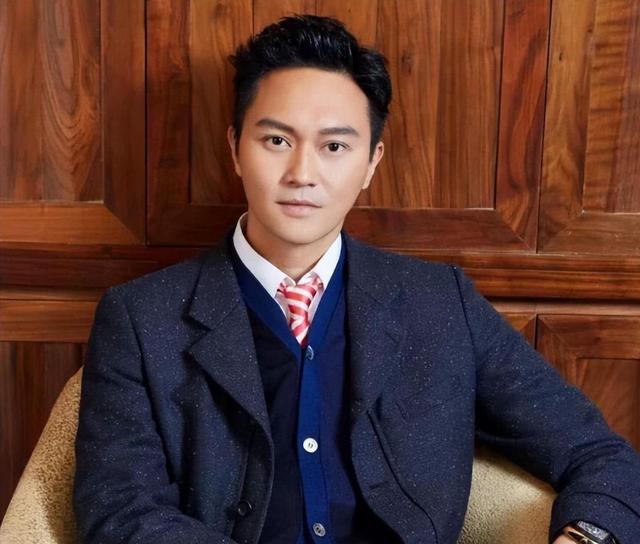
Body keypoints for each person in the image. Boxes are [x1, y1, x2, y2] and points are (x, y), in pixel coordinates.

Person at [73, 14, 640, 544]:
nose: (302, 174)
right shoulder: (140, 316)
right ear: (235, 149)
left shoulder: (442, 305)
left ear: (371, 163)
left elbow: (596, 452)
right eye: (276, 140)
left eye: (335, 146)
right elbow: (119, 509)